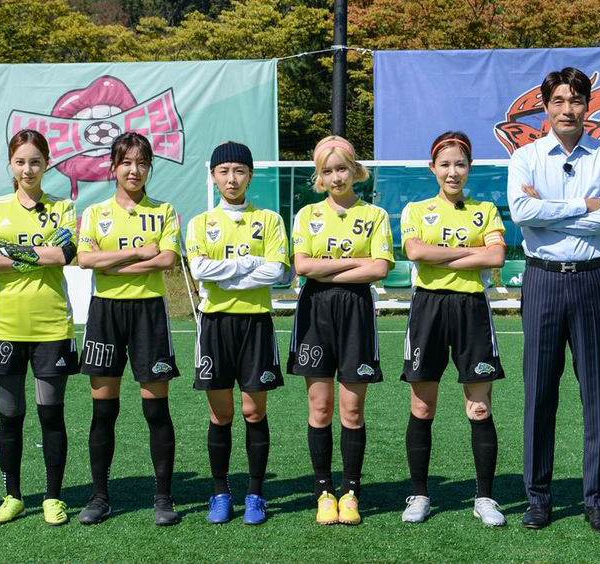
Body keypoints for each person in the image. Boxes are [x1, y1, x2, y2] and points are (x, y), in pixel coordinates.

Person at [508, 67, 600, 534]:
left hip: (592, 281)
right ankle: (538, 499)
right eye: (558, 101)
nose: (567, 109)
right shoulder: (526, 157)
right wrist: (585, 205)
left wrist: (549, 214)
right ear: (545, 106)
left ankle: (597, 500)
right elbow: (522, 212)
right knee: (539, 392)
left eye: (575, 100)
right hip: (542, 280)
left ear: (587, 106)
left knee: (596, 393)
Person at [398, 131, 507, 527]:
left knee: (479, 406)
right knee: (422, 406)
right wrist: (470, 253)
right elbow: (415, 252)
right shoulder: (416, 209)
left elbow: (496, 256)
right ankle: (419, 494)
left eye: (460, 164)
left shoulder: (485, 210)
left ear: (469, 168)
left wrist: (442, 257)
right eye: (445, 164)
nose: (453, 171)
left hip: (471, 308)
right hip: (428, 308)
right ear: (433, 168)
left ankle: (485, 498)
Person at [76, 132, 182, 526]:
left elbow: (167, 259)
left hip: (148, 312)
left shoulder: (164, 211)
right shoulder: (95, 212)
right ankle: (99, 497)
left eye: (141, 163)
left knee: (156, 410)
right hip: (105, 312)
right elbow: (85, 260)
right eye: (126, 163)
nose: (133, 170)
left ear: (149, 167)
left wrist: (112, 263)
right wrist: (137, 253)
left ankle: (164, 498)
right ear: (114, 167)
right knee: (104, 411)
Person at [288, 135, 393, 525]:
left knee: (352, 409)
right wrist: (354, 263)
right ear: (320, 176)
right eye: (328, 171)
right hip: (315, 310)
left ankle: (350, 492)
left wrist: (327, 266)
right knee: (320, 408)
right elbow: (303, 267)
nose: (336, 177)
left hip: (356, 312)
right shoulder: (307, 214)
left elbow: (380, 268)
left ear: (355, 170)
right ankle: (323, 492)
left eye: (342, 168)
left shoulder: (375, 215)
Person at [0, 129, 79, 526]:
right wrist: (39, 253)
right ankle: (14, 496)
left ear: (46, 164)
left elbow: (65, 254)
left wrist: (12, 252)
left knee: (51, 414)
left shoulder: (63, 207)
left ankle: (53, 497)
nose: (28, 169)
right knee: (11, 416)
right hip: (5, 327)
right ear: (10, 165)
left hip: (52, 326)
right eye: (20, 161)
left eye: (35, 161)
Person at [185, 141, 290, 525]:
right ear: (214, 176)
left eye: (239, 171)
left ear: (250, 175)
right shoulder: (200, 223)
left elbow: (276, 271)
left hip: (255, 322)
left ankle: (256, 494)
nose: (232, 179)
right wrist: (248, 264)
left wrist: (226, 273)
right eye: (224, 171)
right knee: (221, 413)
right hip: (214, 324)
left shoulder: (269, 220)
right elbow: (199, 270)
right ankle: (220, 493)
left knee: (254, 411)